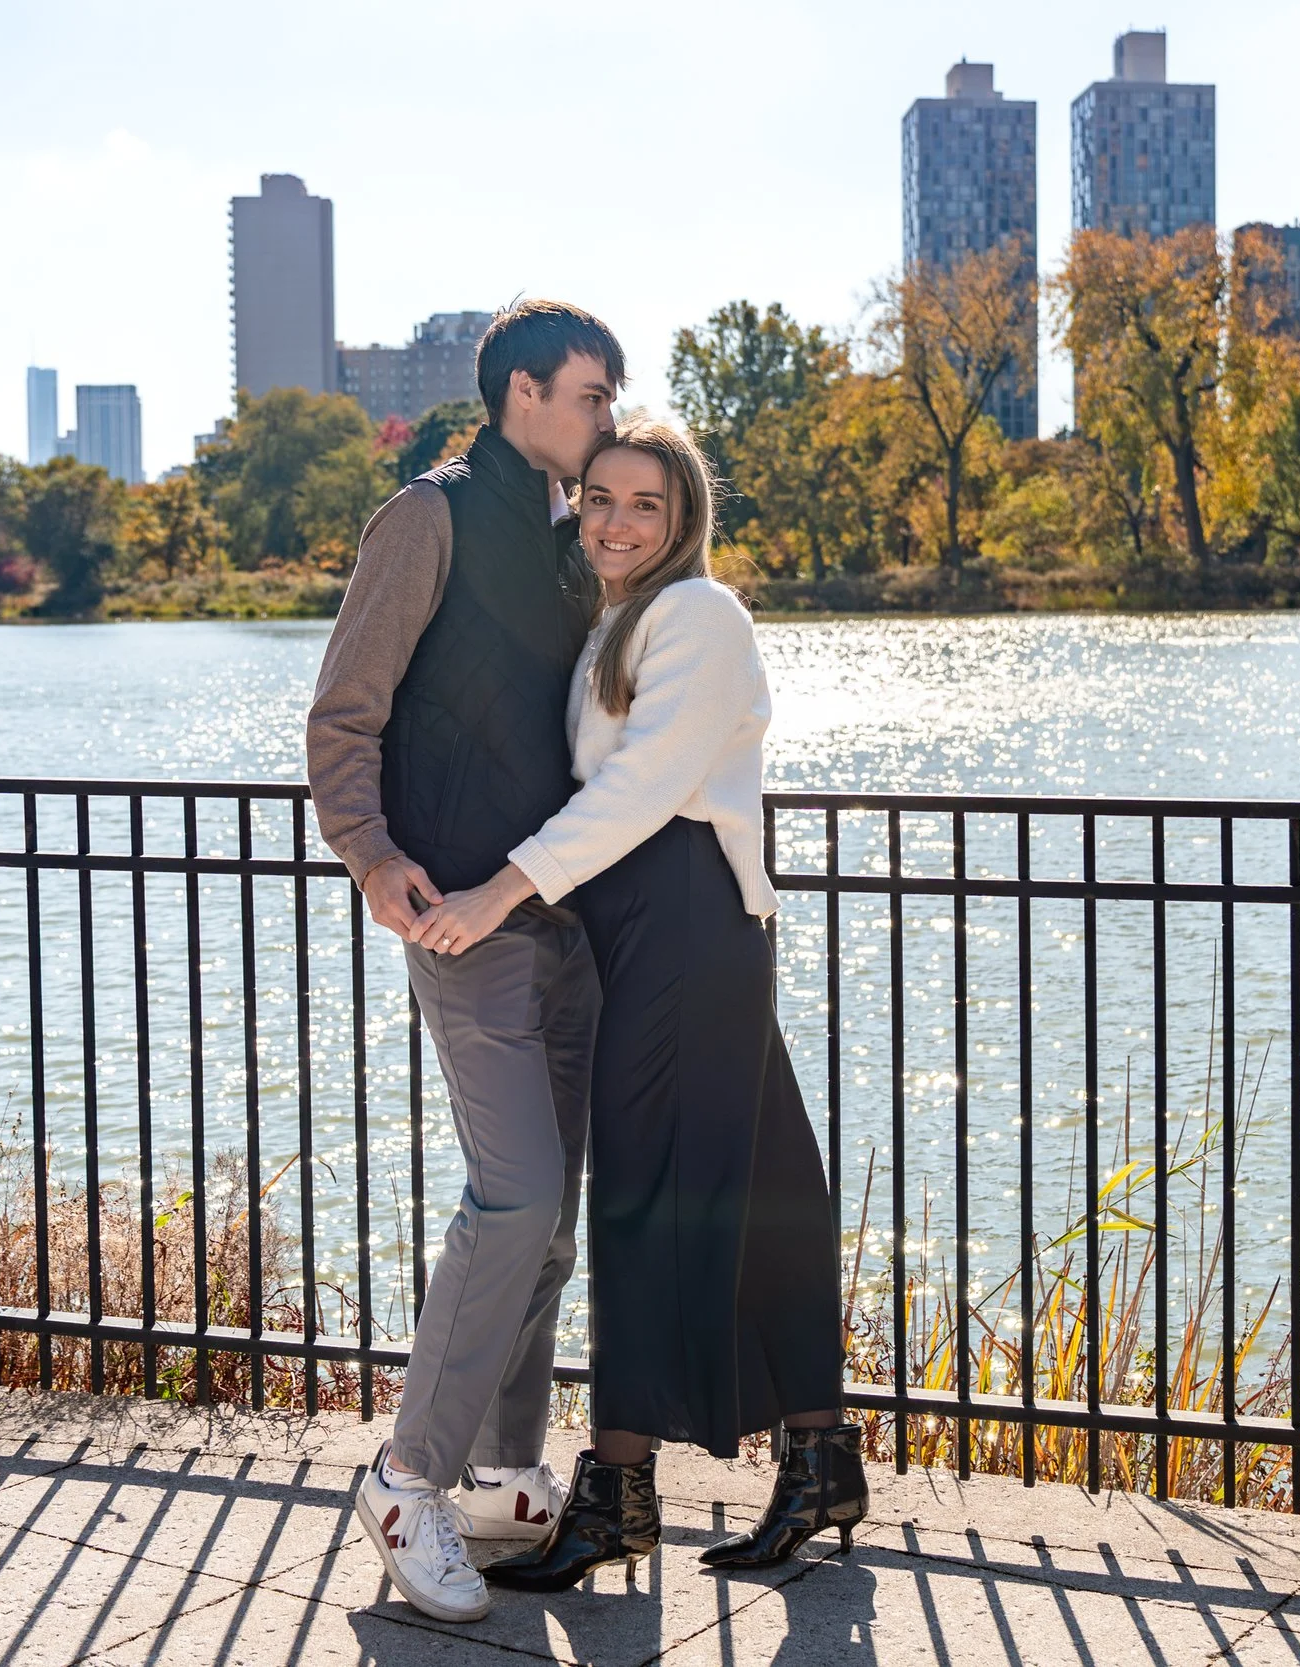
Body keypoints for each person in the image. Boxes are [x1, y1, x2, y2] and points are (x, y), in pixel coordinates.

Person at [406, 417, 868, 1593]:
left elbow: (644, 785)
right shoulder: (619, 621)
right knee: (762, 1194)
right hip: (659, 929)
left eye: (644, 505)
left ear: (683, 519)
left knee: (643, 1204)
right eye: (599, 498)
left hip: (679, 918)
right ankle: (819, 1457)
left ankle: (616, 1492)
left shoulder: (699, 615)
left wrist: (502, 885)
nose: (615, 519)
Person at [306, 300, 625, 1624]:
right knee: (516, 1196)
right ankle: (406, 1476)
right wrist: (375, 859)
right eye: (591, 393)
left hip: (565, 915)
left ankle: (499, 1475)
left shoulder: (578, 533)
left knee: (551, 1222)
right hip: (455, 913)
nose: (608, 412)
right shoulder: (424, 519)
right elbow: (343, 712)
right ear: (519, 396)